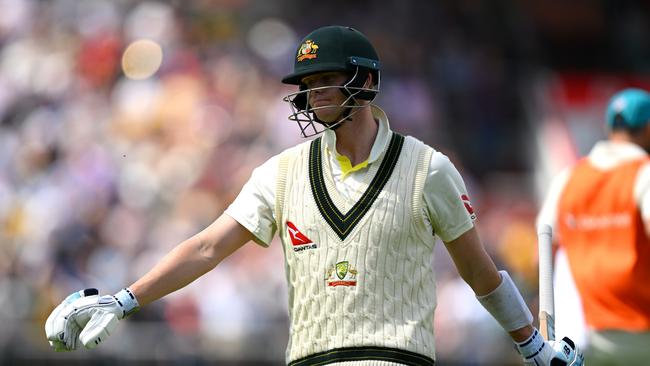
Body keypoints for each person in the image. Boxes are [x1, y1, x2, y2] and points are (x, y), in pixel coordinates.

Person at [45, 25, 583, 366]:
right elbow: (210, 246)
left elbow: (478, 271)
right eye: (308, 84)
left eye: (326, 80)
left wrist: (531, 346)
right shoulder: (281, 172)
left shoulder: (428, 169)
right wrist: (126, 297)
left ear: (366, 84)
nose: (312, 95)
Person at [538, 88, 650, 365]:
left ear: (609, 126)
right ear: (648, 128)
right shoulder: (645, 172)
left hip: (578, 339)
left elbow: (542, 250)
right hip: (641, 333)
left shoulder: (569, 177)